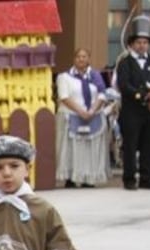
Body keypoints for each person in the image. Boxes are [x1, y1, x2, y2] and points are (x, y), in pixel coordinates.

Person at [115, 15, 150, 190]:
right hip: (132, 110)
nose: (142, 45)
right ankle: (129, 178)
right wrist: (144, 96)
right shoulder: (125, 63)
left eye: (145, 42)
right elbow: (124, 85)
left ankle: (147, 177)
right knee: (130, 145)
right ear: (132, 44)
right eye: (138, 42)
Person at [55, 49, 111, 188]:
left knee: (89, 149)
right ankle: (71, 177)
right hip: (71, 114)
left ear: (88, 59)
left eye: (84, 56)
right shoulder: (64, 77)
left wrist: (92, 110)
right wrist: (81, 111)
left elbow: (102, 94)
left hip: (93, 115)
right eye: (78, 57)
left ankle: (88, 177)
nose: (81, 59)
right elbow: (64, 97)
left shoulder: (95, 76)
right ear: (74, 59)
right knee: (72, 149)